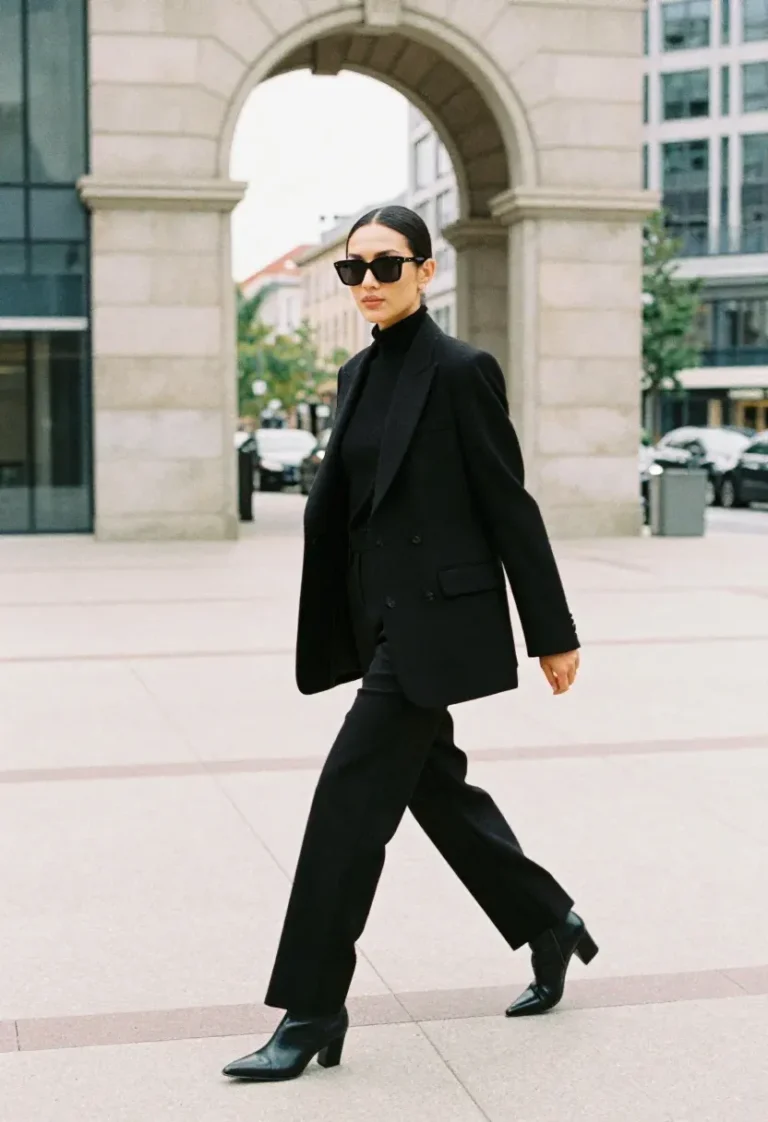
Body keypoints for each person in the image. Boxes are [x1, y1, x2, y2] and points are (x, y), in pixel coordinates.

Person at [223, 205, 597, 1084]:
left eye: (386, 266)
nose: (368, 284)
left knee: (346, 805)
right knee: (437, 792)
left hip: (436, 625)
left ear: (427, 272)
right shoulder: (354, 374)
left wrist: (552, 631)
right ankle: (552, 921)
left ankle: (312, 1006)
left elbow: (510, 504)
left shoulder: (463, 371)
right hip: (380, 625)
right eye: (353, 271)